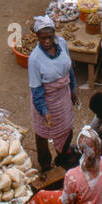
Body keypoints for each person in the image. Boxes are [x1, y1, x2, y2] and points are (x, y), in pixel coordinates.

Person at [28, 16, 78, 172]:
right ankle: (45, 165)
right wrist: (45, 112)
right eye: (43, 38)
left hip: (62, 96)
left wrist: (72, 89)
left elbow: (69, 68)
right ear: (37, 37)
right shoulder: (35, 59)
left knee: (66, 127)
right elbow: (36, 90)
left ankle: (63, 155)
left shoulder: (62, 43)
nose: (47, 41)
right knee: (43, 134)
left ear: (54, 34)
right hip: (45, 100)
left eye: (49, 37)